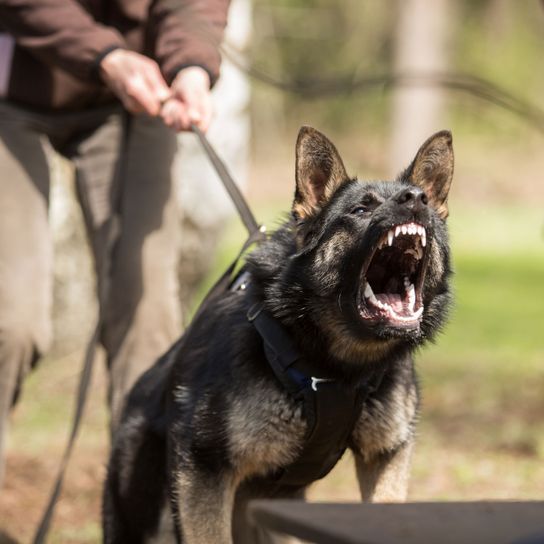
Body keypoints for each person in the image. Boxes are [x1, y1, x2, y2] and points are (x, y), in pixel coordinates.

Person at [0, 0, 230, 486]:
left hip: (138, 95)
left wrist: (190, 66)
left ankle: (143, 516)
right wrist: (105, 55)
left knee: (147, 319)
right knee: (10, 326)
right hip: (10, 84)